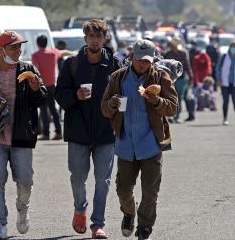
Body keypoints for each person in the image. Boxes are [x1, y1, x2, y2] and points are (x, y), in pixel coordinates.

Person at [101, 39, 177, 240]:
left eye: (146, 61)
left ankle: (145, 227)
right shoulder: (118, 78)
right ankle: (129, 213)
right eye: (139, 60)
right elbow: (104, 108)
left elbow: (173, 107)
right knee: (123, 189)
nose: (142, 65)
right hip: (126, 144)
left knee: (150, 192)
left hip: (151, 144)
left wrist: (157, 101)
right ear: (131, 57)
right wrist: (112, 104)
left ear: (152, 61)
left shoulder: (161, 78)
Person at [54, 19, 121, 239]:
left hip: (105, 133)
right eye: (91, 36)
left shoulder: (115, 65)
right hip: (78, 133)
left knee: (103, 181)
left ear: (105, 38)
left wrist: (118, 104)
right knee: (77, 178)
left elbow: (126, 100)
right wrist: (75, 95)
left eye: (98, 36)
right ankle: (80, 209)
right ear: (85, 39)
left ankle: (97, 224)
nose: (94, 40)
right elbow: (59, 95)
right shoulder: (71, 64)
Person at [0, 30, 47, 239]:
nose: (18, 51)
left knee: (25, 181)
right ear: (1, 49)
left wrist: (37, 89)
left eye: (19, 47)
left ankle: (22, 209)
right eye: (13, 47)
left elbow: (42, 100)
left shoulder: (28, 69)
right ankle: (0, 224)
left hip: (21, 135)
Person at [32, 34, 63, 140]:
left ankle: (46, 134)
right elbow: (63, 53)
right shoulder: (53, 52)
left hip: (42, 86)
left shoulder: (35, 55)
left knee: (44, 110)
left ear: (37, 43)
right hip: (52, 85)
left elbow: (35, 70)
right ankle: (59, 132)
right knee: (53, 109)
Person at [164, 36, 193, 122]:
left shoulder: (183, 53)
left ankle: (177, 115)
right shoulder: (168, 54)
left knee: (179, 97)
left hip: (181, 79)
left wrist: (191, 77)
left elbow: (187, 66)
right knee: (170, 97)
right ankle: (171, 115)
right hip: (169, 79)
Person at [216, 41, 235, 126]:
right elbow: (218, 68)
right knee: (226, 101)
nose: (233, 49)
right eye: (232, 47)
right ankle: (225, 118)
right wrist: (219, 79)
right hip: (225, 83)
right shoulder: (224, 57)